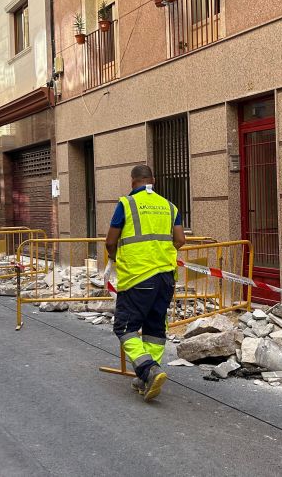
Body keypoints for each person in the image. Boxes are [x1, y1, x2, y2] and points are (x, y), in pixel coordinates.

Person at [105, 165, 186, 402]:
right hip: (165, 278)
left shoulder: (127, 204)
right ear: (154, 180)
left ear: (133, 183)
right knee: (155, 329)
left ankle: (148, 369)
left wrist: (113, 258)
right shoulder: (170, 206)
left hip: (138, 276)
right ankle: (146, 379)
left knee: (124, 327)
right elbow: (180, 240)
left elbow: (111, 241)